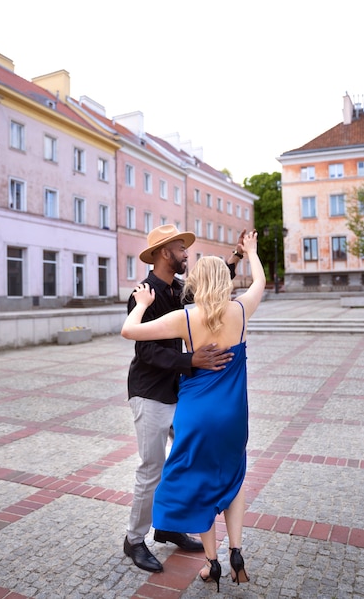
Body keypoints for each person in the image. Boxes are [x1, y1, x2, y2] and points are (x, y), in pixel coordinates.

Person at [121, 230, 265, 591]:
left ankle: (173, 529)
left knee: (191, 467)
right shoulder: (144, 294)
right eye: (180, 247)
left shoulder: (182, 294)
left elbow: (213, 287)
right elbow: (146, 352)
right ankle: (135, 540)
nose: (186, 252)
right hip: (153, 391)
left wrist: (234, 256)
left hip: (187, 397)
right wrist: (191, 359)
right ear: (162, 252)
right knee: (153, 467)